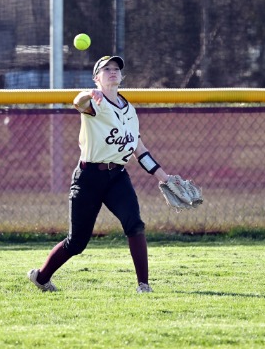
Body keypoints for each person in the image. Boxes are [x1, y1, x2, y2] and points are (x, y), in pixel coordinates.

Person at [27, 55, 173, 294]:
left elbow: (139, 149)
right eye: (106, 69)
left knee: (135, 225)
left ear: (122, 76)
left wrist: (164, 178)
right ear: (96, 78)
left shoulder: (129, 110)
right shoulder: (94, 103)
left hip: (117, 177)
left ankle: (144, 286)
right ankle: (41, 278)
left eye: (116, 69)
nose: (113, 71)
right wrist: (88, 94)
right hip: (89, 178)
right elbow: (78, 102)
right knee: (76, 243)